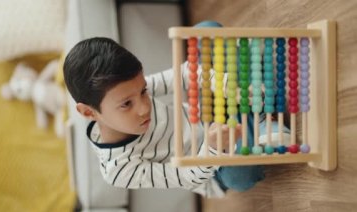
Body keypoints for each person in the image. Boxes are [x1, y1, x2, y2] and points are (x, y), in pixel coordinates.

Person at [63, 35, 290, 197]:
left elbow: (185, 74)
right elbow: (186, 177)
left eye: (143, 91)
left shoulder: (128, 90)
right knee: (241, 176)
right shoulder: (118, 170)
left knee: (206, 30)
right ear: (89, 112)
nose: (144, 107)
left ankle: (247, 100)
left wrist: (225, 84)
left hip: (210, 114)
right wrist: (211, 149)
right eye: (127, 105)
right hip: (212, 170)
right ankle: (258, 118)